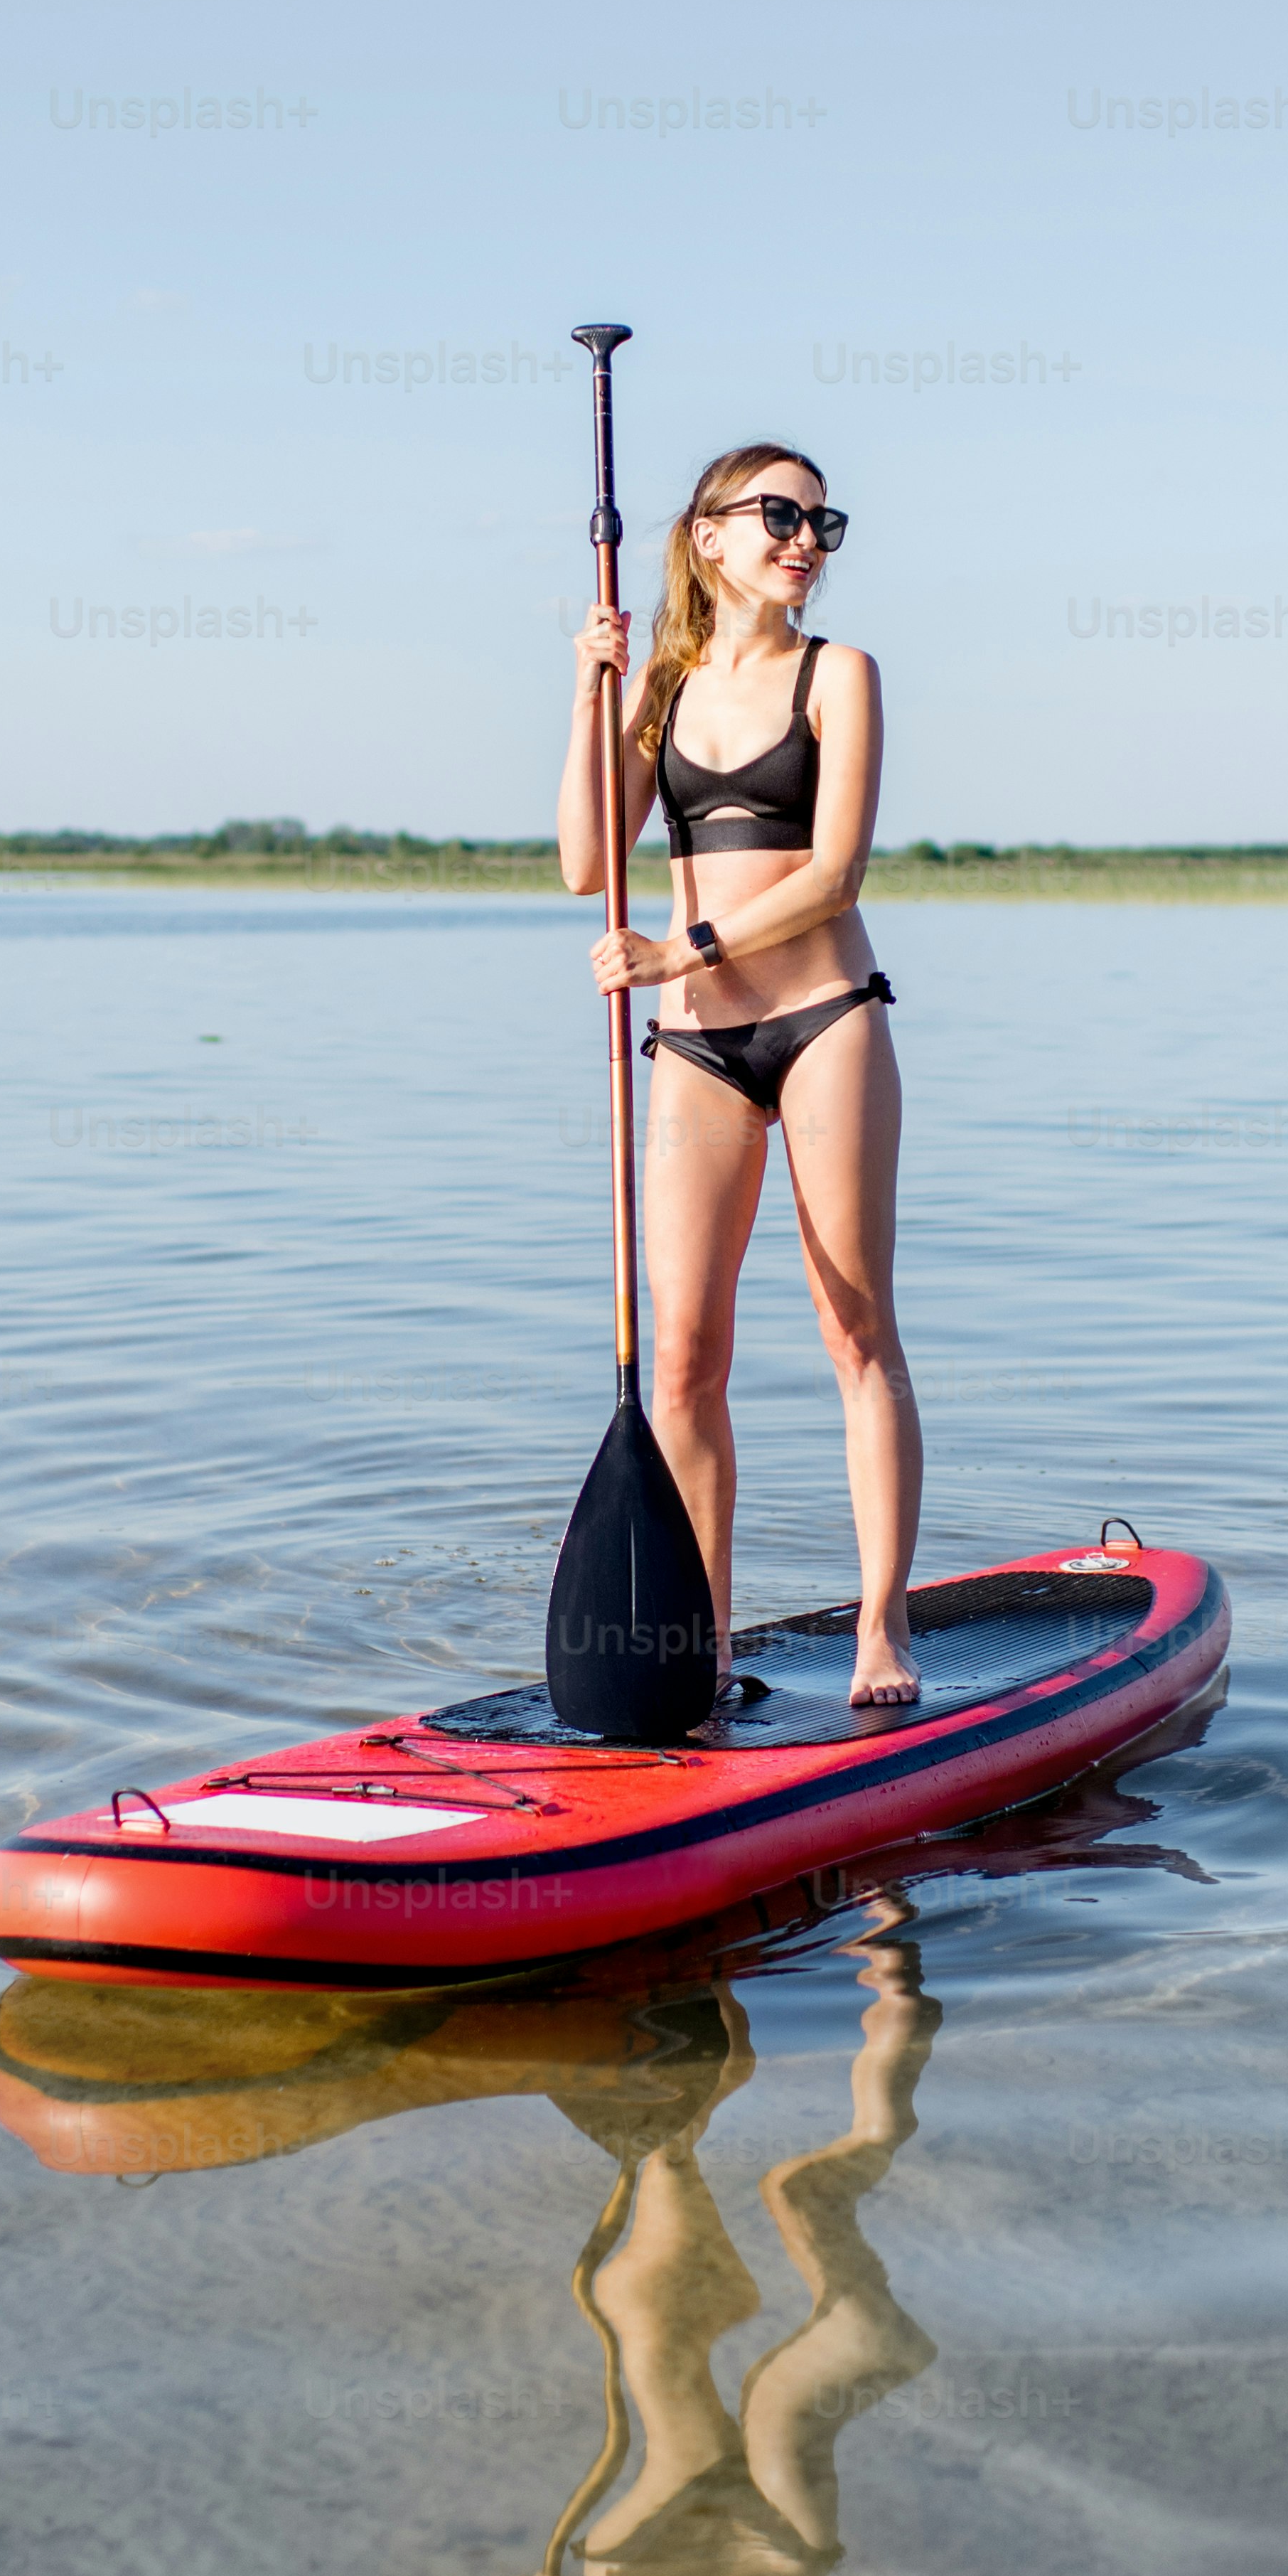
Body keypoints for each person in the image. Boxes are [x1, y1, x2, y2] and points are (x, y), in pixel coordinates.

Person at [557, 443, 921, 1707]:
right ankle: (706, 1649)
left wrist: (684, 948)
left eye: (824, 520)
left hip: (823, 1019)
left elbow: (833, 877)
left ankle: (882, 1632)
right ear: (708, 537)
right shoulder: (657, 686)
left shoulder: (842, 675)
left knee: (854, 1328)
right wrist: (593, 694)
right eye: (780, 515)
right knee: (683, 1360)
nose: (806, 538)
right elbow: (581, 861)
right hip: (698, 1047)